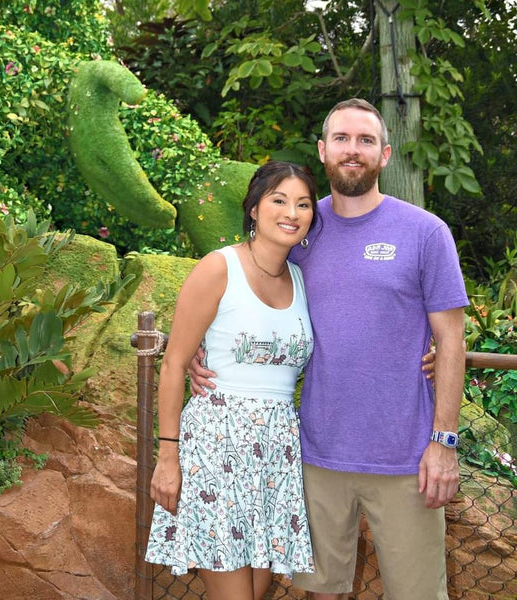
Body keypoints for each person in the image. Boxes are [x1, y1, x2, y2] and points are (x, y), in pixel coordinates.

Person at [189, 98, 467, 600]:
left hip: (405, 458)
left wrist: (443, 443)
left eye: (365, 140)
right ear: (323, 150)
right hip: (315, 455)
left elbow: (451, 342)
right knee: (320, 593)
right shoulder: (297, 227)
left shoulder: (427, 233)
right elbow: (237, 281)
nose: (352, 150)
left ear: (385, 154)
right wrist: (199, 345)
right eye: (342, 139)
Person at [145, 161, 319, 600]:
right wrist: (168, 457)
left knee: (255, 593)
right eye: (279, 200)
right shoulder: (218, 267)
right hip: (217, 448)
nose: (291, 213)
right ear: (254, 210)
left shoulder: (301, 279)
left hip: (276, 454)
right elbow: (172, 364)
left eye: (303, 204)